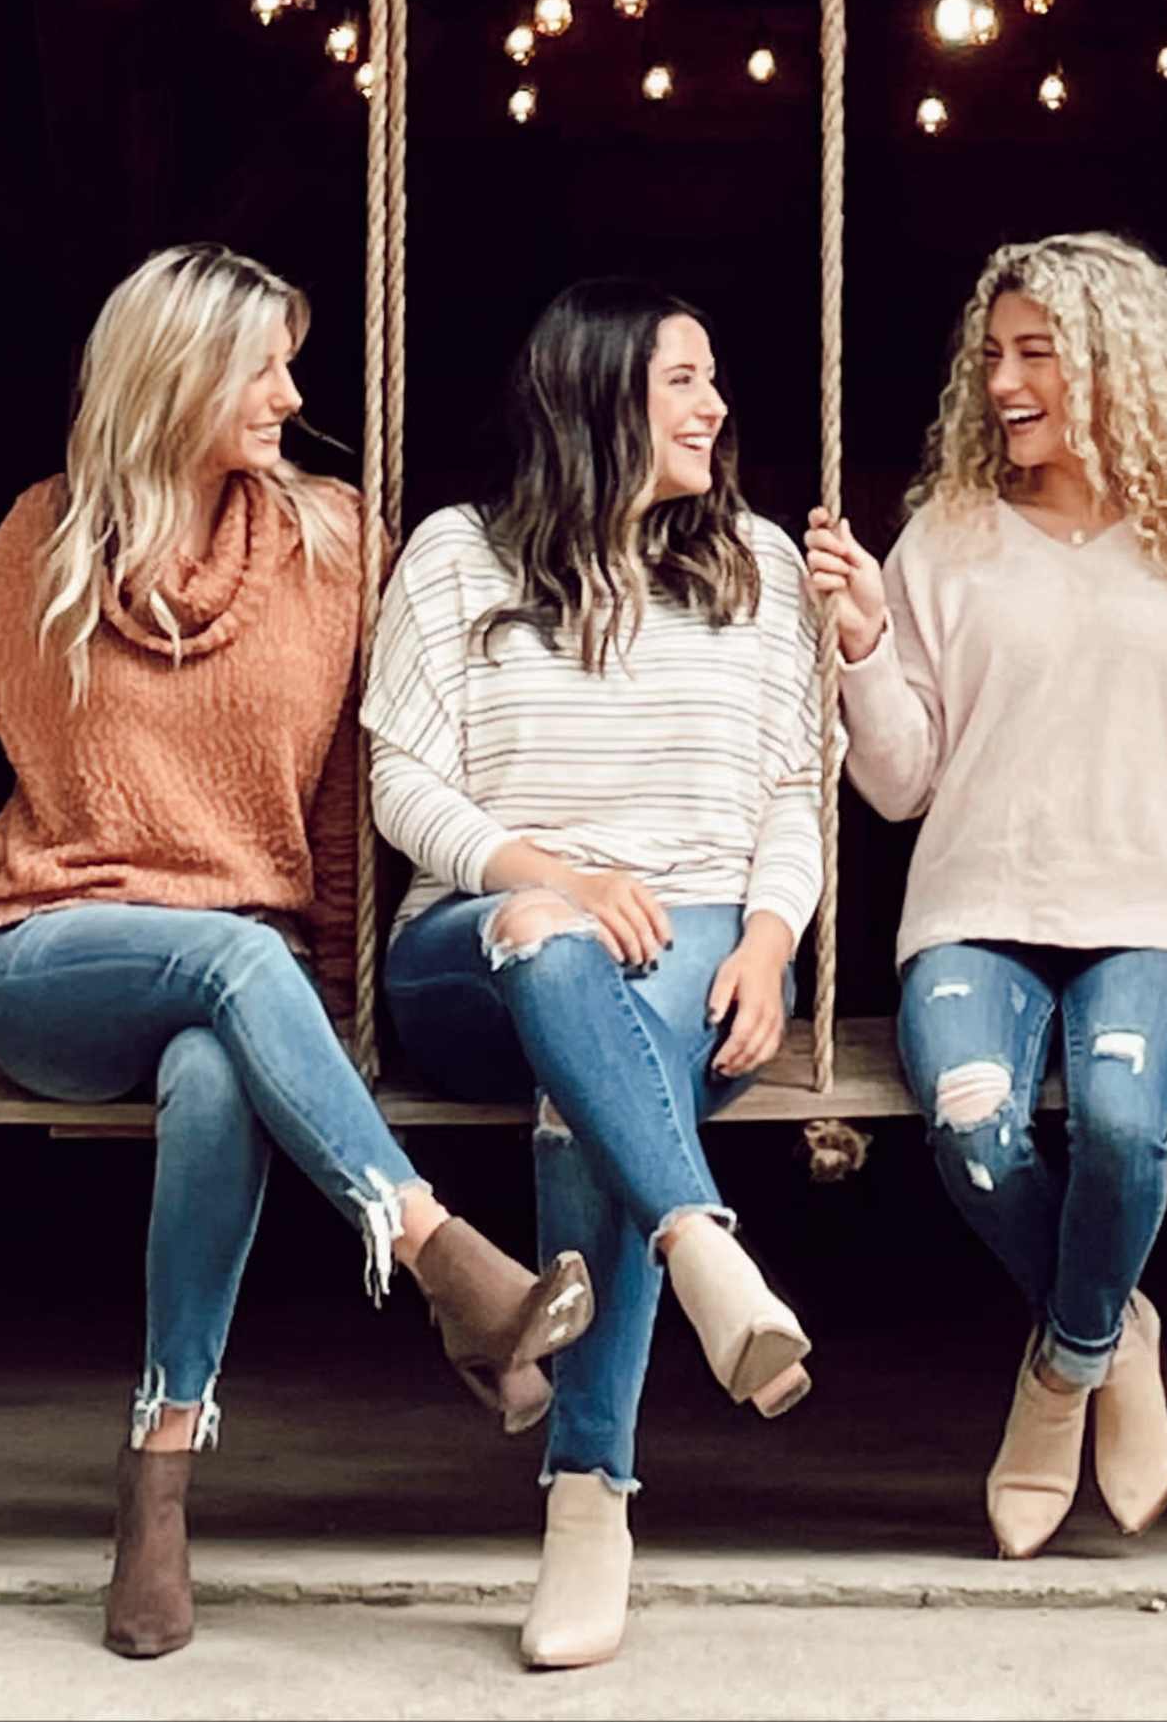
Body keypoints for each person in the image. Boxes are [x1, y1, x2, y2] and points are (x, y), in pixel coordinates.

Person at [0, 239, 594, 1663]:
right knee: (227, 967)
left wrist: (320, 1031)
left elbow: (331, 806)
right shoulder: (41, 538)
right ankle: (443, 1260)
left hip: (232, 984)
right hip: (49, 958)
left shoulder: (328, 546)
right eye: (262, 364)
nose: (289, 392)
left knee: (215, 1064)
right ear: (175, 375)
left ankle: (160, 1468)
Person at [804, 230, 1167, 1558]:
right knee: (972, 1121)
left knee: (1119, 1120)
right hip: (976, 905)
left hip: (1163, 908)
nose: (1004, 378)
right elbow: (897, 782)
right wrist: (870, 646)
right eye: (993, 353)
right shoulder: (945, 539)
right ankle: (1116, 1320)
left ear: (1116, 364)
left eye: (1037, 351)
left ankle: (1060, 1369)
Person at [364, 280, 826, 1673]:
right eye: (684, 378)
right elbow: (399, 778)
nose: (715, 406)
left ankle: (586, 1498)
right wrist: (539, 874)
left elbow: (796, 786)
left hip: (696, 940)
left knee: (596, 1066)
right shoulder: (457, 555)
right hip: (481, 936)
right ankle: (700, 1240)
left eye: (713, 378)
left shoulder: (757, 565)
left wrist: (769, 937)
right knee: (557, 956)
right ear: (600, 390)